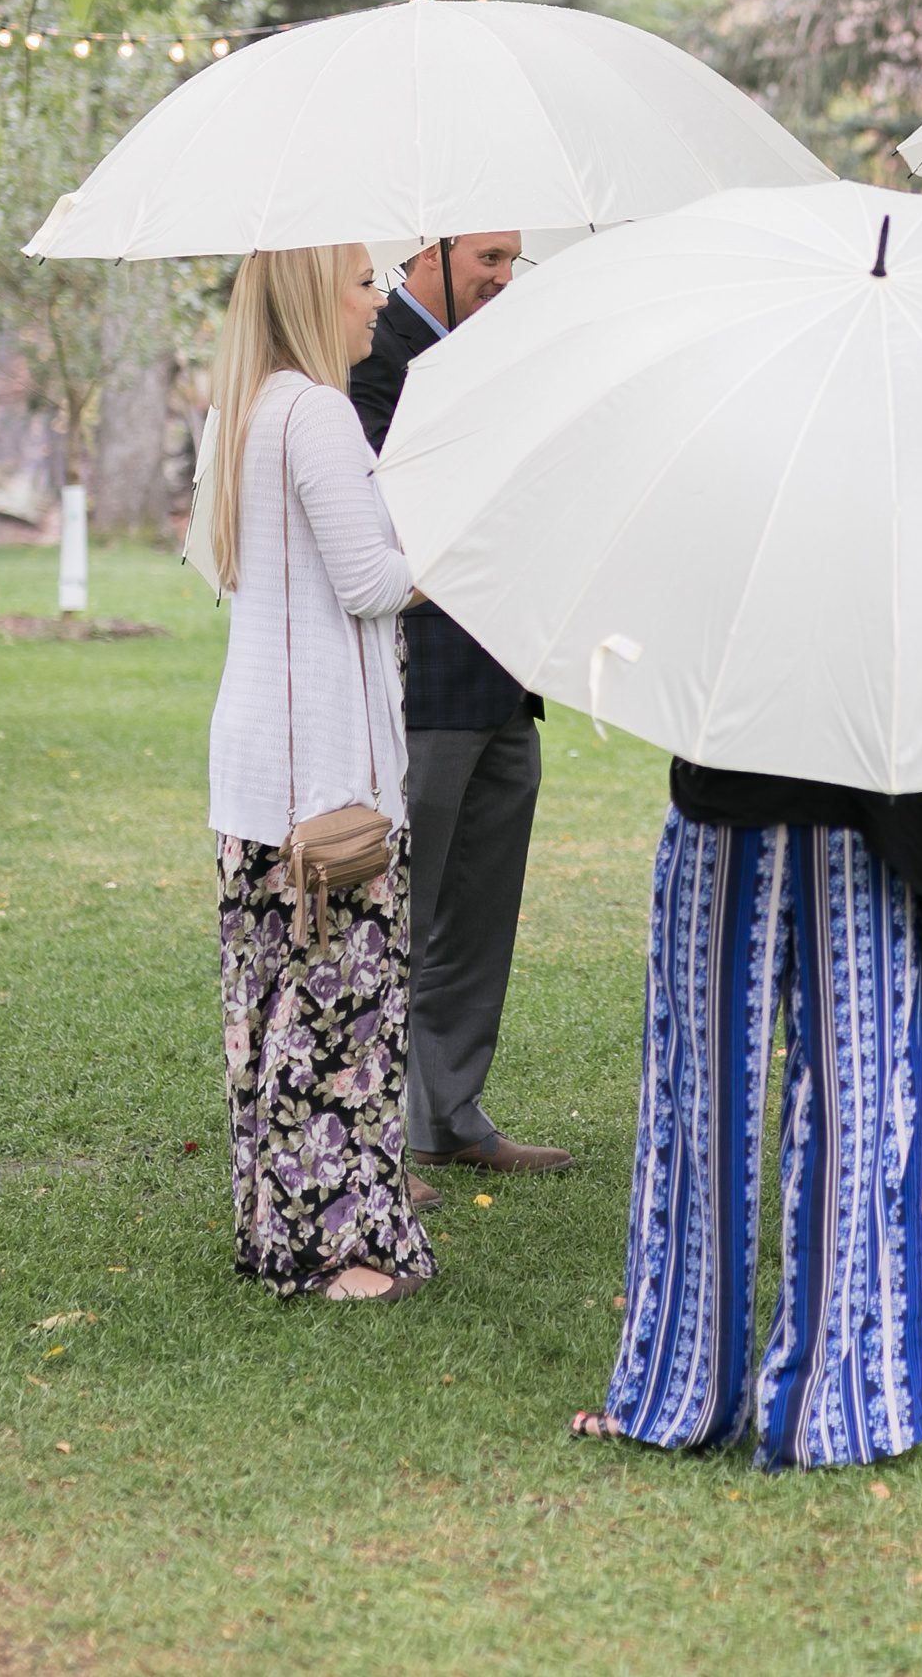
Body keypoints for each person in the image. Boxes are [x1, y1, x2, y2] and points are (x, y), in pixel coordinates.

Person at [569, 765, 922, 1470]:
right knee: (852, 1118)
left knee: (709, 1113)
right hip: (855, 808)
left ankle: (687, 1393)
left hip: (778, 803)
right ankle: (837, 1411)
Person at [205, 242, 431, 1303]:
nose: (379, 297)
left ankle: (278, 1227)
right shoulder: (319, 414)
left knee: (272, 1011)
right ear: (309, 295)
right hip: (326, 774)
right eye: (359, 282)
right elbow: (371, 581)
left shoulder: (245, 410)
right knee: (340, 1021)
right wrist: (463, 550)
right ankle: (337, 1251)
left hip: (256, 769)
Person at [350, 233, 571, 1180]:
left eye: (514, 260)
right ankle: (368, 1134)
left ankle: (449, 1114)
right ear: (429, 252)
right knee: (401, 914)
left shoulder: (504, 357)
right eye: (489, 255)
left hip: (506, 682)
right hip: (424, 682)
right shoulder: (373, 359)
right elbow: (380, 518)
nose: (503, 276)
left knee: (480, 917)